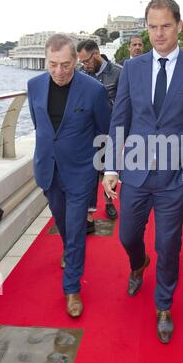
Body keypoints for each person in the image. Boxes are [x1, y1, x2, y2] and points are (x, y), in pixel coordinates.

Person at [103, 0, 183, 344]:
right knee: (127, 236)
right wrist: (110, 166)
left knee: (168, 245)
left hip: (174, 178)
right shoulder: (132, 68)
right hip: (135, 172)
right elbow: (119, 119)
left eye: (166, 26)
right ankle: (138, 263)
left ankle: (164, 305)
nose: (159, 34)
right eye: (152, 27)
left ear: (179, 26)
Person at [28, 34, 111, 317]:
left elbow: (105, 132)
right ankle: (69, 251)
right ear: (46, 60)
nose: (59, 71)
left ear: (76, 60)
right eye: (53, 64)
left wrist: (102, 170)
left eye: (65, 64)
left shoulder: (93, 90)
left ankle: (72, 287)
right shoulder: (34, 86)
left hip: (80, 172)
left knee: (76, 229)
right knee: (62, 222)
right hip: (48, 171)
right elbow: (41, 126)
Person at [77, 40, 121, 230]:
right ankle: (89, 213)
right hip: (88, 133)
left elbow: (124, 105)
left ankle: (109, 202)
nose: (84, 65)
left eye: (86, 61)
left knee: (109, 169)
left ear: (96, 54)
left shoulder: (119, 73)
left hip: (111, 131)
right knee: (90, 173)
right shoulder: (81, 75)